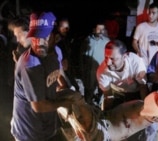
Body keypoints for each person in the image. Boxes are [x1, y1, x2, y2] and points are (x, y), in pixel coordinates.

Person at [10, 11, 74, 141]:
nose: (39, 43)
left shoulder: (56, 52)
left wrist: (65, 90)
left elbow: (58, 76)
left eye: (45, 37)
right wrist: (67, 102)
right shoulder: (30, 64)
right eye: (35, 37)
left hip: (46, 128)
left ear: (55, 38)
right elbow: (39, 106)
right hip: (28, 132)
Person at [96, 39, 158, 141]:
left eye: (112, 58)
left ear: (124, 56)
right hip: (118, 95)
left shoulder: (136, 62)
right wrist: (106, 118)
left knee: (143, 127)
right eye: (106, 57)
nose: (108, 62)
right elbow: (108, 96)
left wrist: (146, 109)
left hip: (137, 93)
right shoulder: (102, 71)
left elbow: (143, 87)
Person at [80, 20, 110, 105]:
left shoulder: (107, 41)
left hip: (102, 71)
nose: (101, 31)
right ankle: (88, 108)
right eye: (98, 29)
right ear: (94, 30)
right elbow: (81, 56)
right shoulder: (87, 41)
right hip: (90, 71)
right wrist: (82, 69)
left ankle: (100, 107)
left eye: (102, 29)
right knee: (89, 90)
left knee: (102, 90)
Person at [132, 2, 158, 67]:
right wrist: (139, 52)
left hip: (156, 61)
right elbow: (134, 42)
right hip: (143, 61)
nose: (150, 15)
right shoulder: (141, 26)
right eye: (149, 12)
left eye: (153, 13)